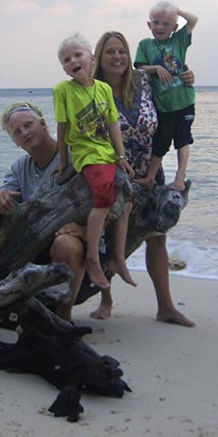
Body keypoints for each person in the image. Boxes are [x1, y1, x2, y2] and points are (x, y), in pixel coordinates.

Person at [90, 30, 196, 327]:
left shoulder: (145, 82)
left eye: (122, 50)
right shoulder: (93, 89)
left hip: (150, 169)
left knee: (157, 237)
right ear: (100, 57)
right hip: (115, 173)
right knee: (111, 239)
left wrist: (187, 77)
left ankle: (166, 307)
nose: (117, 57)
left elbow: (175, 91)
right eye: (110, 51)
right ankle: (106, 299)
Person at [0, 101, 89, 321]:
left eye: (28, 125)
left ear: (44, 124)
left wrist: (84, 229)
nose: (24, 132)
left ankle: (63, 315)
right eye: (17, 132)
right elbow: (4, 207)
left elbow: (105, 198)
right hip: (33, 241)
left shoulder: (73, 156)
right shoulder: (20, 167)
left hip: (72, 241)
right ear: (15, 142)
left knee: (66, 242)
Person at [53, 33, 136, 291]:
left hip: (107, 152)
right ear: (64, 68)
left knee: (128, 199)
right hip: (86, 152)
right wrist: (64, 161)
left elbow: (113, 124)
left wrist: (121, 156)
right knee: (104, 198)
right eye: (67, 60)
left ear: (91, 59)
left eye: (78, 55)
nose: (73, 61)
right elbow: (62, 127)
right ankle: (91, 257)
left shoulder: (104, 89)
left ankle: (118, 257)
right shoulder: (63, 90)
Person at [134, 1, 199, 191]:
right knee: (160, 142)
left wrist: (176, 10)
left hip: (184, 101)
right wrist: (155, 68)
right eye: (156, 22)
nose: (160, 27)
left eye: (166, 23)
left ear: (174, 27)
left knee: (183, 139)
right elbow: (139, 67)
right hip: (162, 105)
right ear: (149, 25)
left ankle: (180, 178)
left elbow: (194, 20)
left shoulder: (178, 41)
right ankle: (150, 178)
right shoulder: (145, 44)